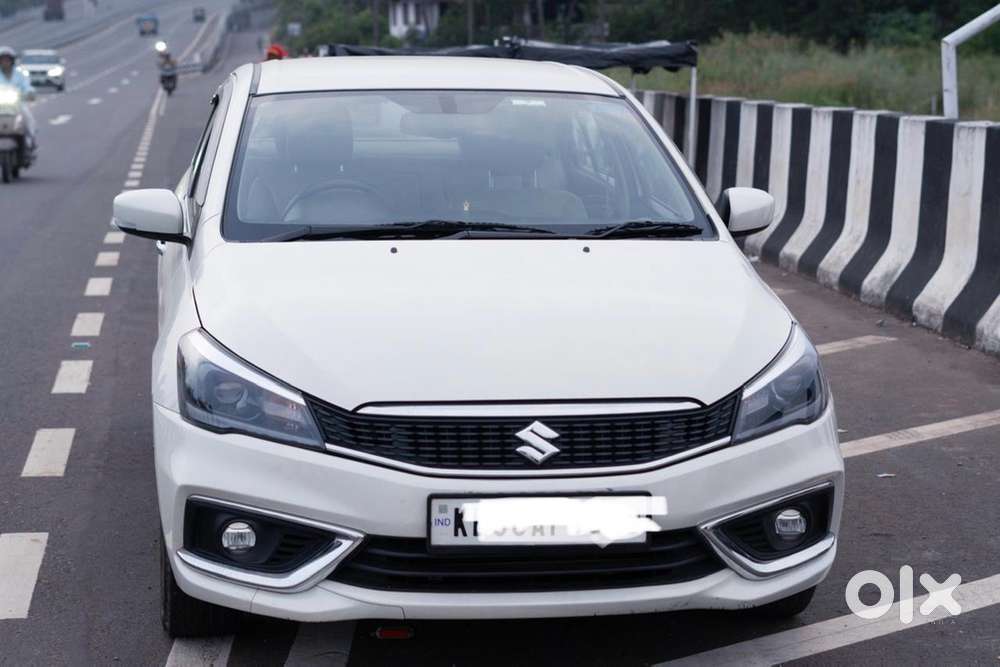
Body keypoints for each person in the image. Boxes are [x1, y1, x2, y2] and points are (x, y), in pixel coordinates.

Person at [0, 46, 37, 150]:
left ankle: (31, 140)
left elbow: (27, 86)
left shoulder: (19, 75)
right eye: (2, 60)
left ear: (12, 61)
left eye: (7, 60)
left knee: (28, 117)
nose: (5, 63)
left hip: (17, 104)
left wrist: (30, 93)